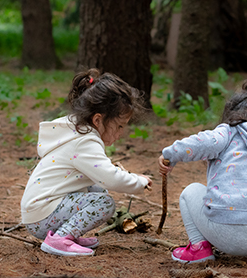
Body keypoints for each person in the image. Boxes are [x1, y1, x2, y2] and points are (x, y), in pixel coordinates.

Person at [21, 68, 153, 257]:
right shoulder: (84, 142)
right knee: (104, 203)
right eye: (119, 126)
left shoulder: (76, 131)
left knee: (97, 188)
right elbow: (111, 178)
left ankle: (65, 233)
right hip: (42, 215)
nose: (121, 133)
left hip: (40, 211)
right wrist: (138, 181)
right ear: (98, 119)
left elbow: (101, 176)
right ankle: (60, 239)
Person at [158, 78, 247, 263]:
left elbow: (200, 143)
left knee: (190, 192)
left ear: (231, 113)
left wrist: (170, 155)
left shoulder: (227, 132)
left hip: (227, 233)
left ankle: (199, 249)